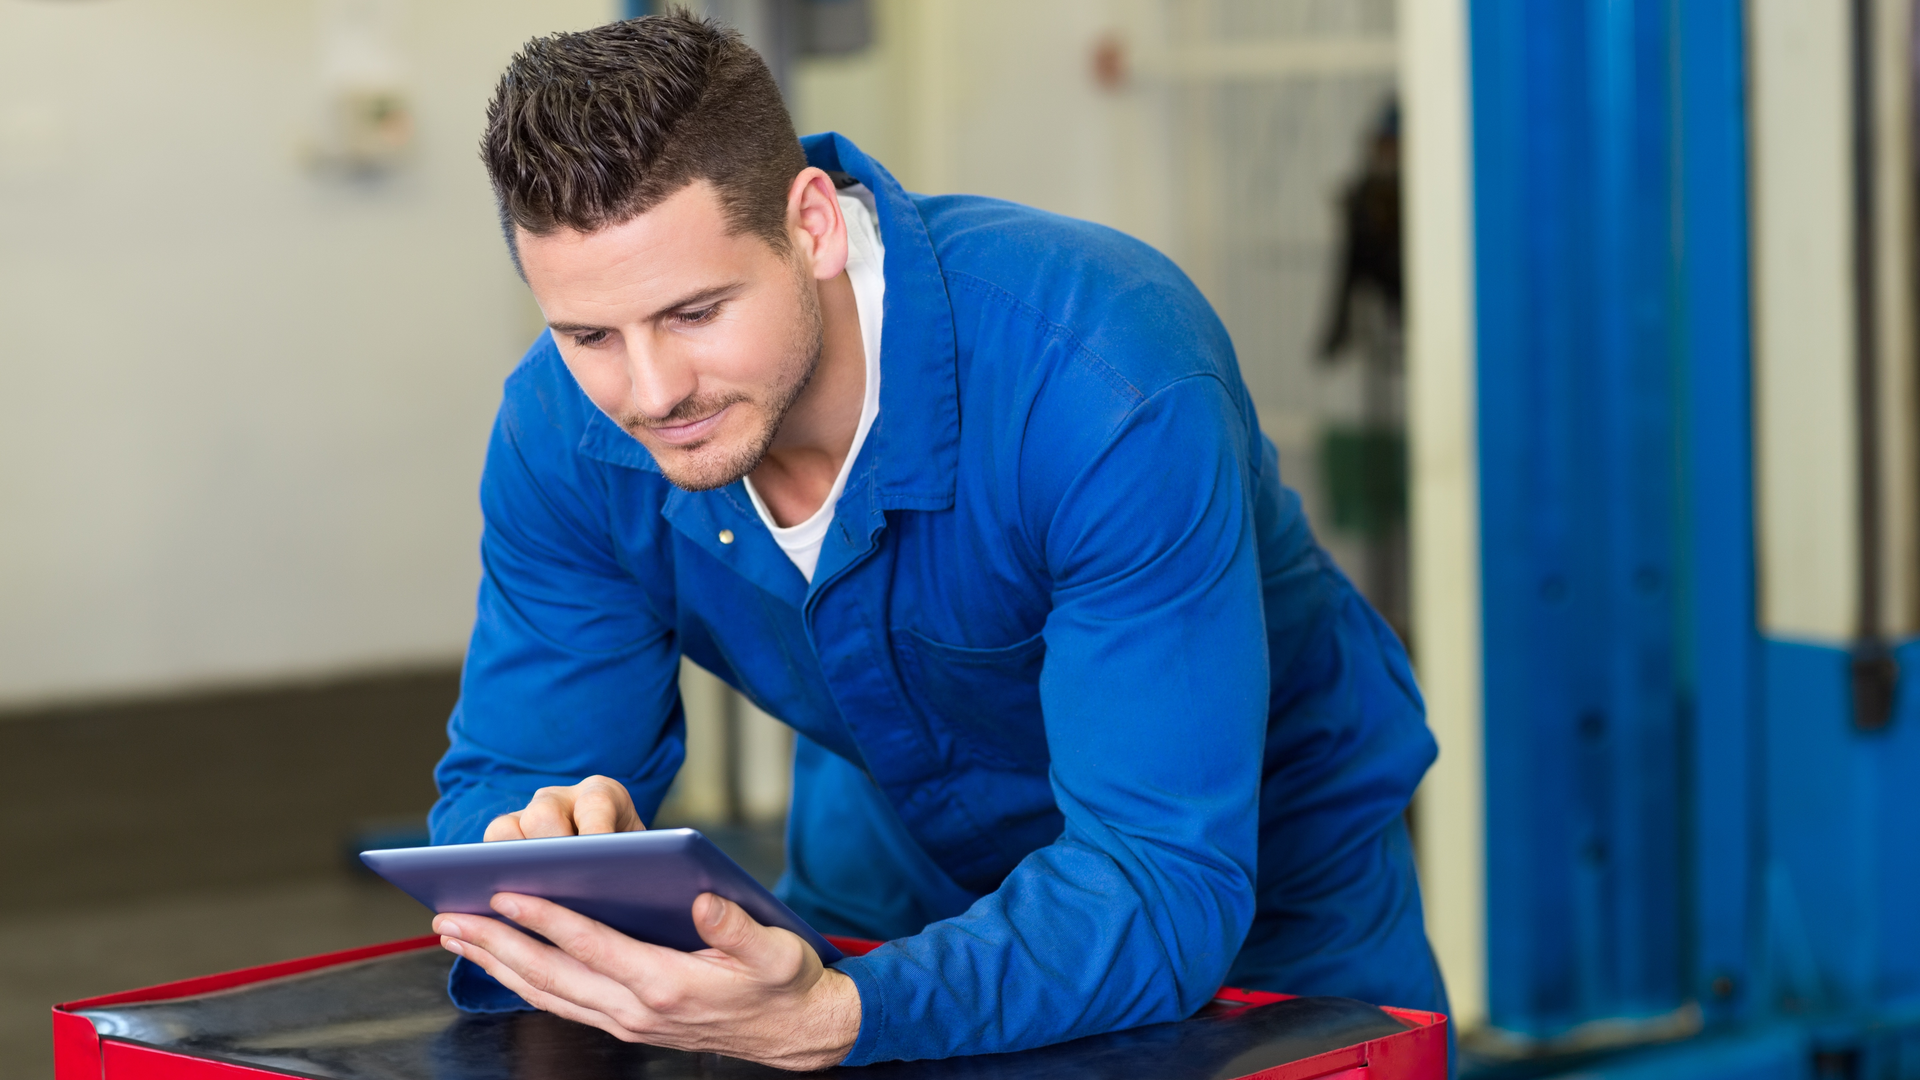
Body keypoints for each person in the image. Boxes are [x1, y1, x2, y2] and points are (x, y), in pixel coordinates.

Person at [425, 11, 1445, 1071]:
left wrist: (839, 1015)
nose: (648, 392)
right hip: (891, 864)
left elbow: (1159, 876)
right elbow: (514, 777)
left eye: (695, 313)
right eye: (589, 333)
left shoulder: (1103, 381)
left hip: (1252, 876)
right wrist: (534, 858)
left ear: (811, 225)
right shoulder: (563, 431)